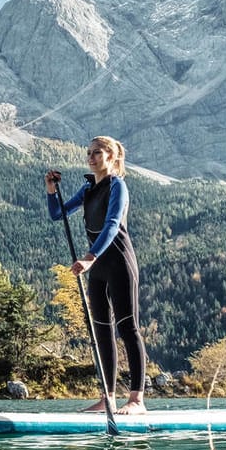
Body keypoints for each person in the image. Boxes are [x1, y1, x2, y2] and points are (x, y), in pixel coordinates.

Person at [46, 136, 148, 414]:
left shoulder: (118, 186)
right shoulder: (88, 187)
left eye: (98, 153)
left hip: (118, 262)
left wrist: (89, 257)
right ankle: (109, 398)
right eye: (89, 153)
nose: (91, 157)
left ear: (112, 157)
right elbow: (58, 214)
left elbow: (113, 224)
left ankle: (137, 400)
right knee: (102, 330)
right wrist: (51, 189)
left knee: (128, 328)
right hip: (98, 267)